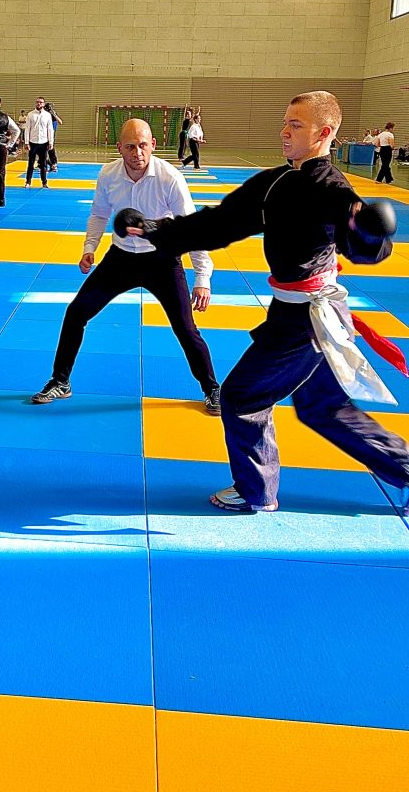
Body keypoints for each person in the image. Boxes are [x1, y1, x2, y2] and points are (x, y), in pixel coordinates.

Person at [125, 91, 409, 513]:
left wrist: (368, 230)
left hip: (307, 321)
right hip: (300, 314)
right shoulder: (276, 181)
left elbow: (362, 249)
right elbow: (221, 222)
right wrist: (156, 232)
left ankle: (256, 493)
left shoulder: (331, 187)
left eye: (296, 125)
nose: (284, 131)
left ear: (324, 133)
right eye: (285, 122)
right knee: (322, 406)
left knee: (241, 396)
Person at [31, 119, 221, 413]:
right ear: (119, 147)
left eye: (143, 145)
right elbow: (98, 214)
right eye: (130, 146)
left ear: (153, 145)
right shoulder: (108, 174)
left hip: (162, 261)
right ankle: (60, 381)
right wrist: (89, 248)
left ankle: (212, 389)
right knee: (76, 313)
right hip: (119, 259)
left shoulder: (170, 178)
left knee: (185, 327)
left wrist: (203, 278)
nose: (137, 152)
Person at [24, 97, 53, 188]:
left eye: (41, 102)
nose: (39, 104)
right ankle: (28, 182)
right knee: (31, 163)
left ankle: (44, 182)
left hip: (44, 142)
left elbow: (50, 129)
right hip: (33, 142)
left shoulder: (47, 115)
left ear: (44, 104)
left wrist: (50, 142)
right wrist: (26, 142)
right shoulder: (30, 114)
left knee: (43, 164)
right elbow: (27, 129)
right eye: (37, 102)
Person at [45, 102, 62, 172]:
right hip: (44, 135)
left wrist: (54, 114)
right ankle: (48, 163)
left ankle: (53, 164)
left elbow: (60, 122)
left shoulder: (52, 115)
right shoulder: (44, 115)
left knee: (50, 149)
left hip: (51, 134)